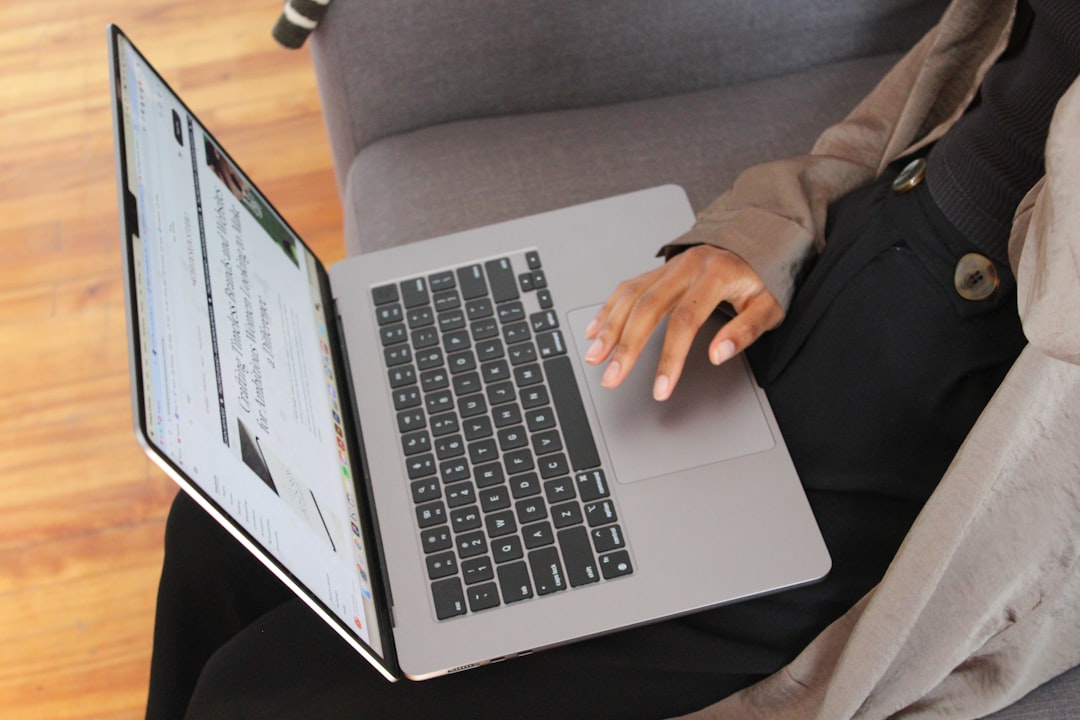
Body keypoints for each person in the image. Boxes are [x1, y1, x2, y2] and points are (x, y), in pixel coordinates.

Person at [145, 1, 1080, 718]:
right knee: (225, 522)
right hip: (828, 272)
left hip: (958, 432)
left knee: (260, 690)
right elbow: (953, 92)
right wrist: (758, 233)